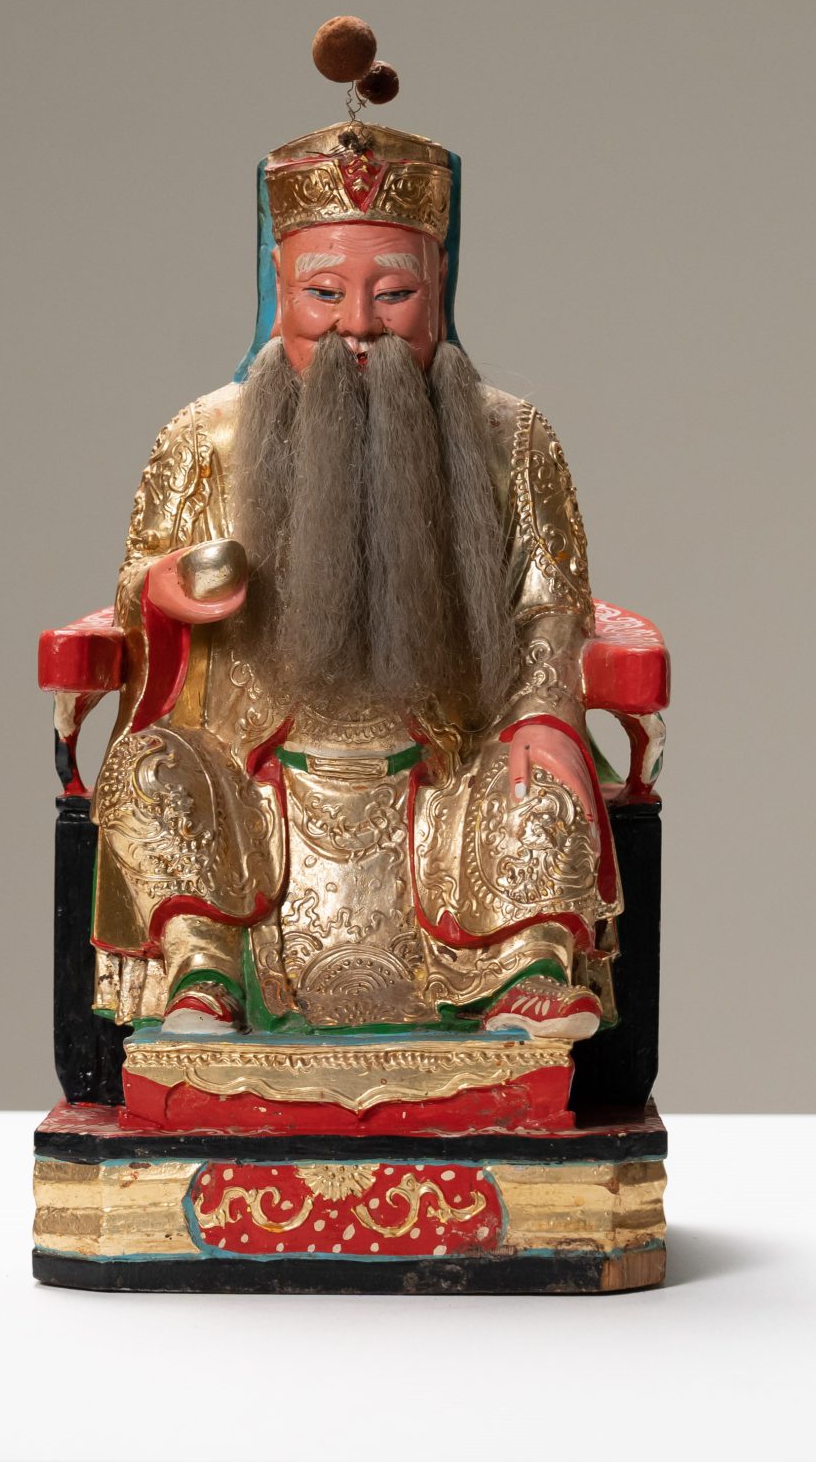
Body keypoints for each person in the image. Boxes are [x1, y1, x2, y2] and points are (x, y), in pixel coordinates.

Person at [89, 121, 620, 1041]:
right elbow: (138, 580)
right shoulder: (204, 436)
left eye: (395, 293)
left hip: (451, 753)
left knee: (539, 778)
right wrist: (165, 593)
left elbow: (551, 600)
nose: (359, 324)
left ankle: (524, 974)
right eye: (325, 293)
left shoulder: (512, 436)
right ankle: (204, 976)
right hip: (253, 758)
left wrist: (541, 714)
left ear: (438, 287)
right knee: (147, 770)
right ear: (280, 289)